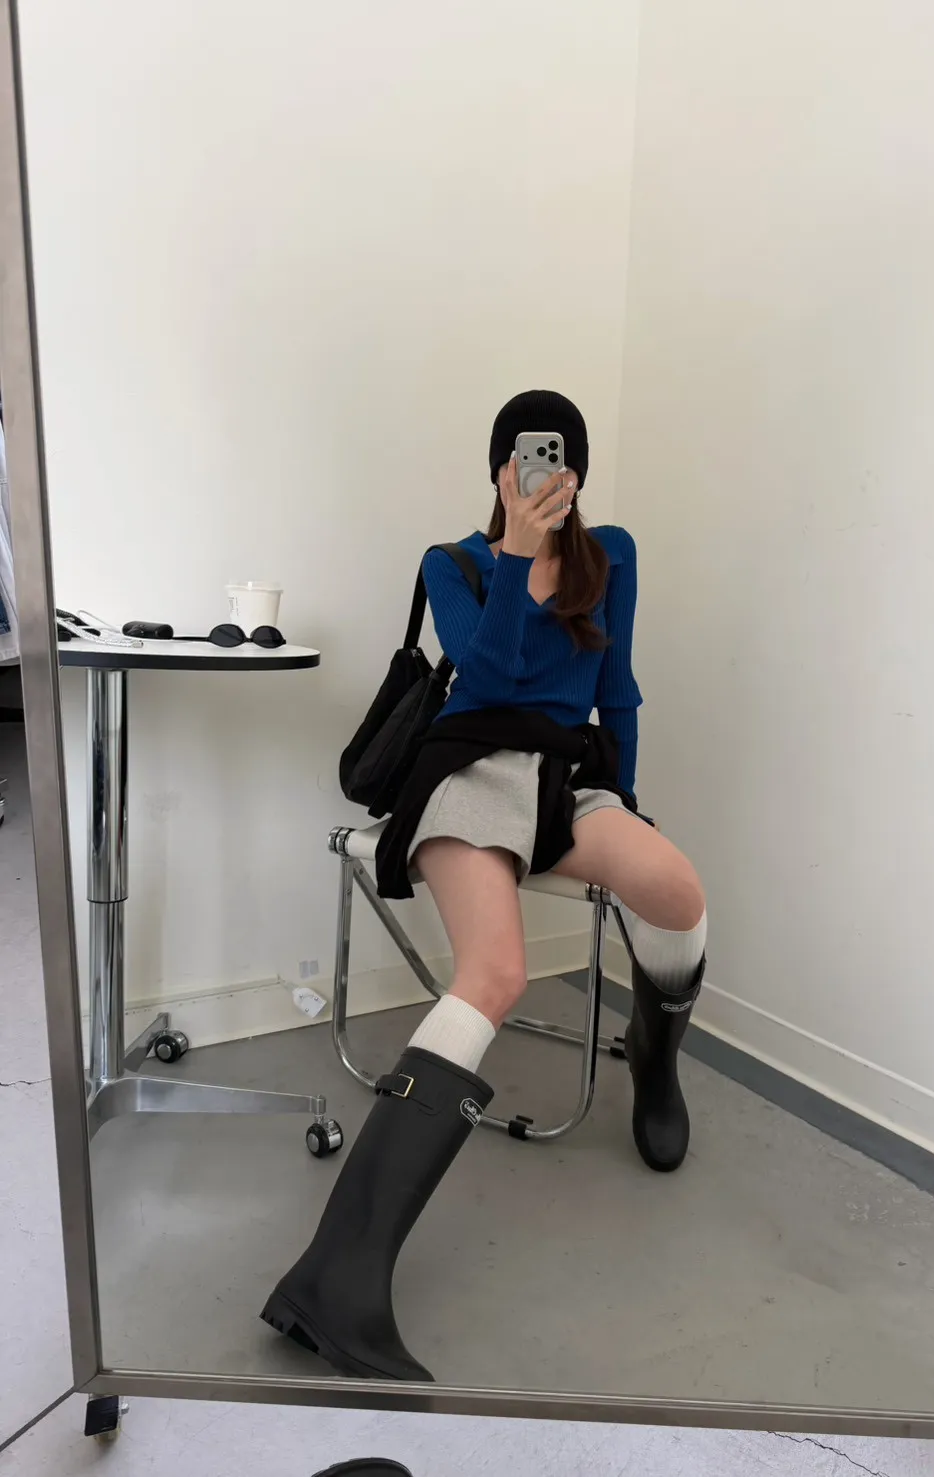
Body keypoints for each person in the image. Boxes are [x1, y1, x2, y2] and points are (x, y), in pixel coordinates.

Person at [262, 390, 707, 1383]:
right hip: (465, 770)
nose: (545, 473)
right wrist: (515, 551)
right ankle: (335, 1277)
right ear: (501, 468)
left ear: (578, 472)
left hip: (566, 779)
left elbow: (617, 690)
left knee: (676, 890)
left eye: (559, 461)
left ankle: (654, 1056)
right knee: (494, 973)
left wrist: (625, 804)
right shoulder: (453, 562)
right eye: (526, 459)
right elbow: (488, 672)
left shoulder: (613, 555)